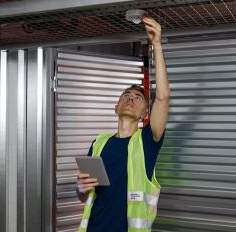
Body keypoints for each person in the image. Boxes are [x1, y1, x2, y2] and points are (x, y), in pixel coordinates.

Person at [76, 15, 169, 232]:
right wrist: (80, 188)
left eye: (138, 98)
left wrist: (156, 44)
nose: (130, 98)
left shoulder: (147, 142)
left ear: (146, 113)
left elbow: (163, 97)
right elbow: (86, 195)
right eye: (126, 95)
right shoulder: (98, 143)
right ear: (116, 107)